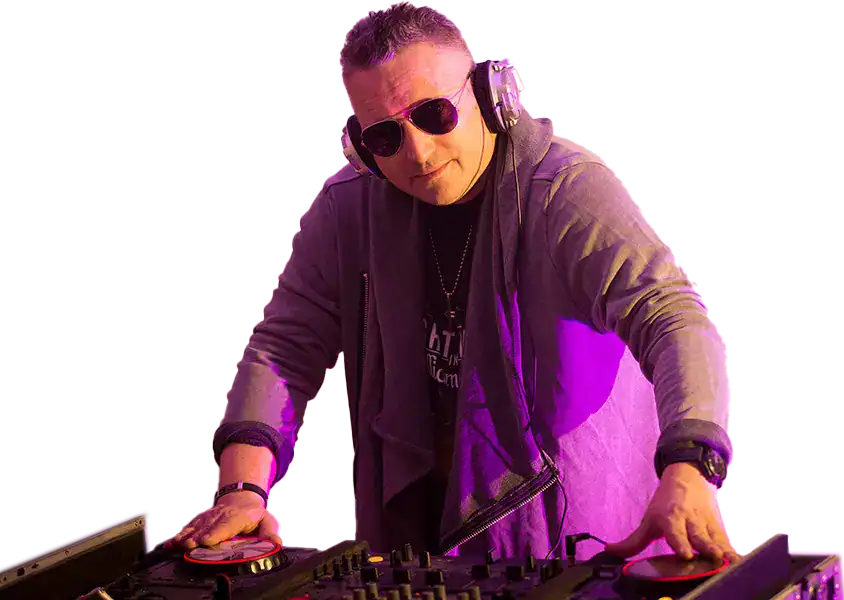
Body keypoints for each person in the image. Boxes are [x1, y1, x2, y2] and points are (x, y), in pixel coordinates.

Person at [169, 1, 740, 565]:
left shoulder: (567, 193)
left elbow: (672, 318)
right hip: (412, 540)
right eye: (386, 137)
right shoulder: (350, 207)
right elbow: (285, 345)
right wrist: (241, 490)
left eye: (434, 114)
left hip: (570, 537)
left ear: (493, 97)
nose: (417, 152)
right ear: (361, 145)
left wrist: (692, 468)